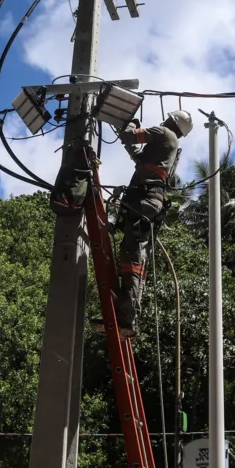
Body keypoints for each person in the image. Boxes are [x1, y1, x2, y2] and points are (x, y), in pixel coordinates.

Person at [96, 110, 193, 339]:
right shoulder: (171, 145)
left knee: (132, 258)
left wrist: (131, 120)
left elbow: (129, 136)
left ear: (172, 121)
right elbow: (140, 157)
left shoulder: (163, 132)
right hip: (149, 201)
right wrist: (130, 141)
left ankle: (126, 318)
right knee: (134, 256)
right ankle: (126, 315)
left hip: (143, 200)